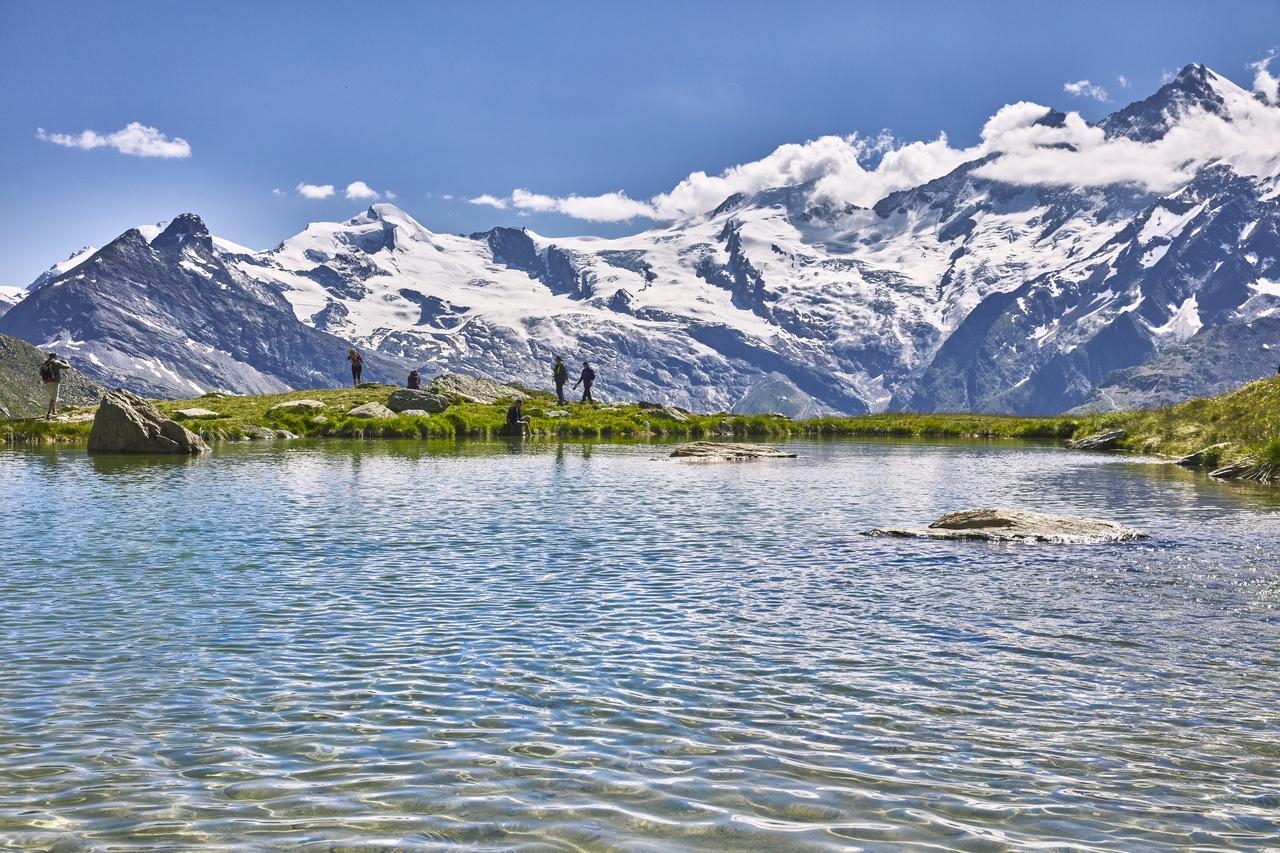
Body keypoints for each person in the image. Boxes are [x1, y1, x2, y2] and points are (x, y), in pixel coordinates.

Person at [40, 352, 71, 420]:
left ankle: (54, 411)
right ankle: (49, 413)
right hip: (55, 382)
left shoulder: (45, 363)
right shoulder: (56, 362)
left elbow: (41, 373)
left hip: (46, 382)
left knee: (52, 397)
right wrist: (66, 362)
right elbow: (67, 367)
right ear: (55, 357)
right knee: (54, 398)